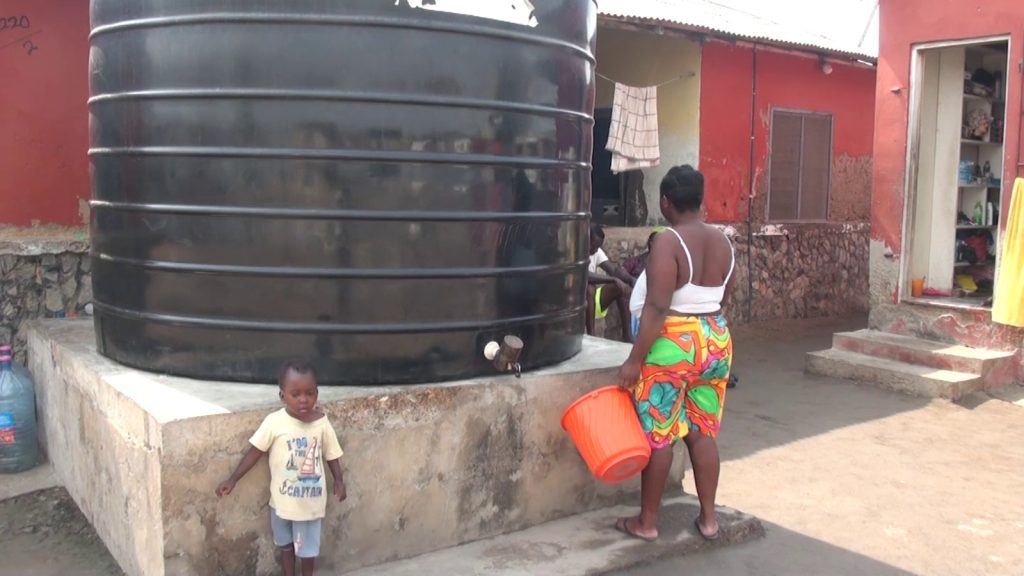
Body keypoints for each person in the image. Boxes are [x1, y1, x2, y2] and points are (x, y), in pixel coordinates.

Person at [614, 165, 735, 542]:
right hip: (716, 339)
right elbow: (723, 299)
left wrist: (635, 360)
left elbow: (657, 306)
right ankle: (709, 520)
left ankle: (647, 523)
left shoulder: (668, 241)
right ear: (700, 199)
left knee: (660, 435)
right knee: (702, 432)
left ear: (665, 202)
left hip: (673, 344)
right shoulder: (724, 242)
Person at [217, 362, 346, 576]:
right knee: (285, 547)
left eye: (309, 393)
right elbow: (255, 452)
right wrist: (233, 479)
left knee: (307, 552)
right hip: (281, 502)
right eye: (295, 394)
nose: (303, 399)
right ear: (282, 395)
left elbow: (332, 454)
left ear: (317, 393)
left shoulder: (322, 424)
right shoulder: (274, 422)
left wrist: (339, 480)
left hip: (309, 505)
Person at [588, 223, 636, 342]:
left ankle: (627, 335)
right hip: (579, 304)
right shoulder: (575, 251)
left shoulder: (596, 252)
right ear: (586, 240)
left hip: (594, 302)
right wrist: (613, 279)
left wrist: (631, 280)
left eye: (598, 247)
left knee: (621, 287)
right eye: (593, 246)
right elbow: (585, 276)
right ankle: (591, 335)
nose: (595, 250)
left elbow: (613, 270)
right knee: (589, 288)